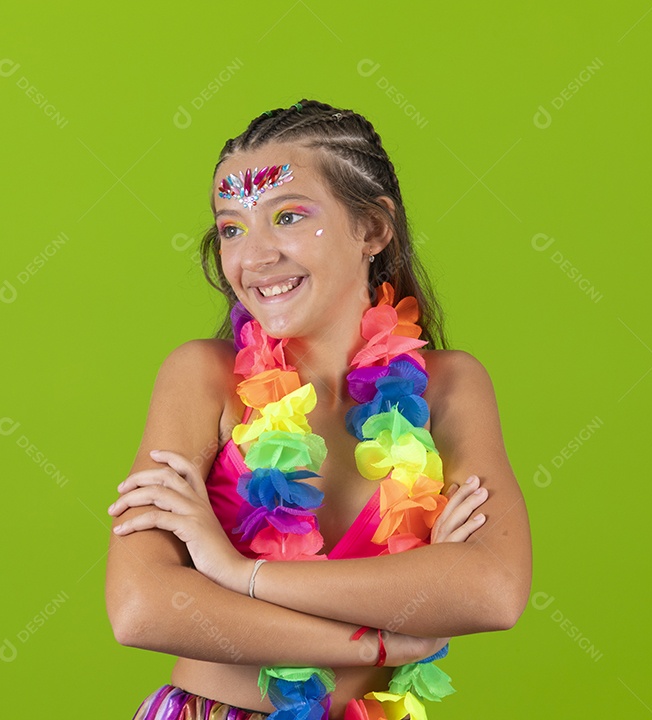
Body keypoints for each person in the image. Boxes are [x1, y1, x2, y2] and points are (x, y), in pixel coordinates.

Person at [105, 99, 532, 720]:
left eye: (288, 217)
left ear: (373, 229)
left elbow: (493, 590)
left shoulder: (449, 388)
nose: (253, 257)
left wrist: (237, 573)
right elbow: (139, 607)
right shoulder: (203, 378)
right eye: (231, 229)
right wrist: (381, 640)